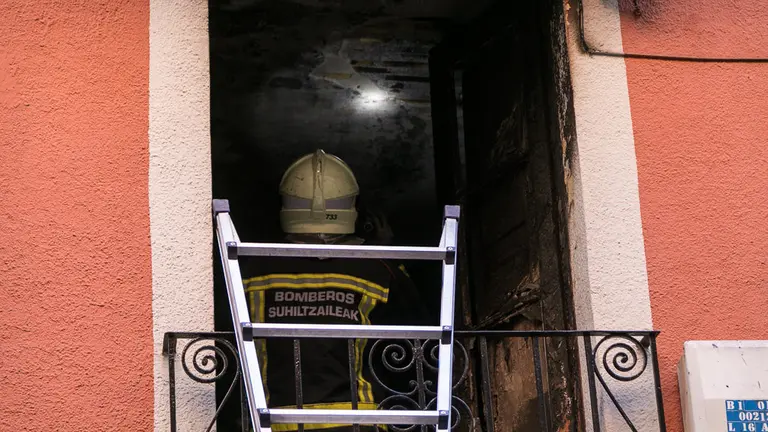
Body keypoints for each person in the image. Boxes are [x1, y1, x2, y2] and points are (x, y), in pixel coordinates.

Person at [240, 149, 428, 432]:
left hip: (277, 423)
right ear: (353, 208)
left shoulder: (250, 268)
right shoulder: (377, 268)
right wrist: (385, 250)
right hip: (357, 422)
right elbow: (421, 333)